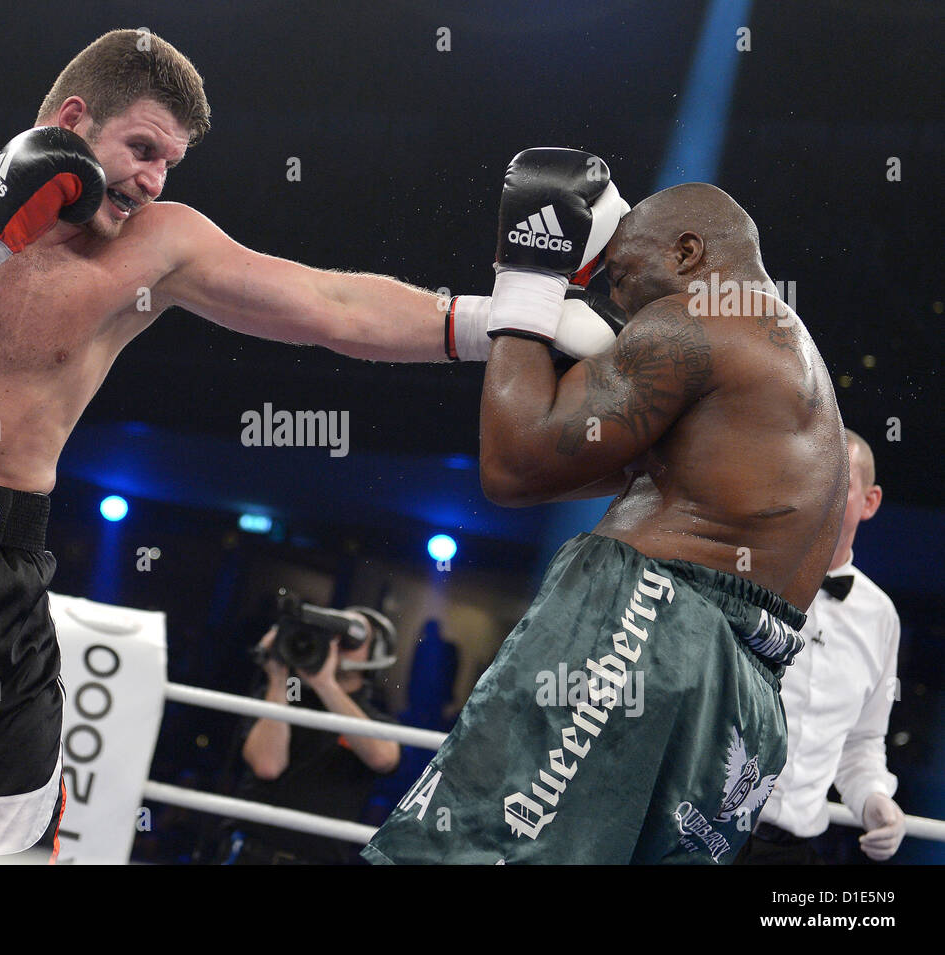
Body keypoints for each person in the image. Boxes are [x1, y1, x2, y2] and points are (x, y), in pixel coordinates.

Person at [0, 28, 556, 858]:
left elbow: (328, 305)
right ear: (74, 121)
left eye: (174, 162)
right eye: (145, 149)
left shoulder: (158, 244)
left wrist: (495, 320)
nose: (157, 180)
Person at [364, 151, 849, 864]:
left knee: (473, 854)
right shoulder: (789, 363)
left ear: (688, 251)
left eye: (621, 277)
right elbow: (559, 470)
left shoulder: (692, 318)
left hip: (645, 630)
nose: (619, 306)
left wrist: (528, 278)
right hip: (744, 695)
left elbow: (513, 462)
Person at [735, 429, 905, 864]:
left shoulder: (880, 617)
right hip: (699, 835)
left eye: (840, 483)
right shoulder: (743, 577)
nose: (822, 493)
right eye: (814, 477)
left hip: (794, 852)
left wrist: (874, 800)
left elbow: (862, 742)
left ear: (870, 502)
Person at [221, 608, 400, 864]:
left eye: (350, 639)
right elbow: (267, 765)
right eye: (330, 634)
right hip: (251, 855)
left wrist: (325, 684)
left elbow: (383, 758)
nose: (336, 646)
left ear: (375, 654)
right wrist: (277, 677)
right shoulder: (279, 697)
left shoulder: (376, 720)